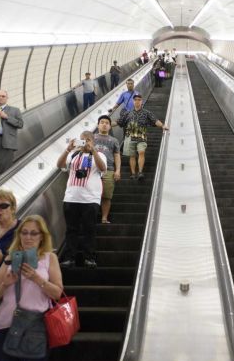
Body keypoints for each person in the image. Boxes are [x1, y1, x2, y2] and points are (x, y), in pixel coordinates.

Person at [0, 215, 63, 361]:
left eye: (34, 233)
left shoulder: (49, 258)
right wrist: (5, 284)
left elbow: (57, 293)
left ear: (42, 236)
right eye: (24, 232)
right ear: (19, 235)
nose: (28, 237)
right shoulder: (10, 258)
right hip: (5, 328)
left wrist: (37, 279)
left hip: (34, 330)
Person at [56, 131, 107, 268]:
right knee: (71, 230)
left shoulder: (99, 155)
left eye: (87, 140)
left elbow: (103, 168)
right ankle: (69, 258)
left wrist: (93, 151)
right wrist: (68, 149)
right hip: (71, 198)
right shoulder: (73, 155)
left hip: (90, 199)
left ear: (93, 141)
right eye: (82, 140)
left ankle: (89, 258)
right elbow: (59, 165)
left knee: (89, 229)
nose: (85, 142)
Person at [116, 93, 168, 181]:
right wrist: (108, 123)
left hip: (141, 137)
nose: (137, 101)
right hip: (129, 137)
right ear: (133, 101)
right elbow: (119, 122)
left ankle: (140, 172)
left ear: (141, 101)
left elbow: (155, 120)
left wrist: (163, 126)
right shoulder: (127, 113)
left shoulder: (146, 113)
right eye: (135, 100)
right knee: (132, 156)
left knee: (141, 152)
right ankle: (133, 173)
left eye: (139, 100)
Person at [94, 115, 121, 223]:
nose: (104, 124)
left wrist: (117, 170)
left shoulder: (114, 140)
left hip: (108, 170)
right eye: (102, 122)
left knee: (107, 195)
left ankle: (104, 218)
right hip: (93, 170)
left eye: (107, 123)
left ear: (110, 126)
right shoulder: (92, 138)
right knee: (91, 194)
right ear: (98, 125)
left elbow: (117, 155)